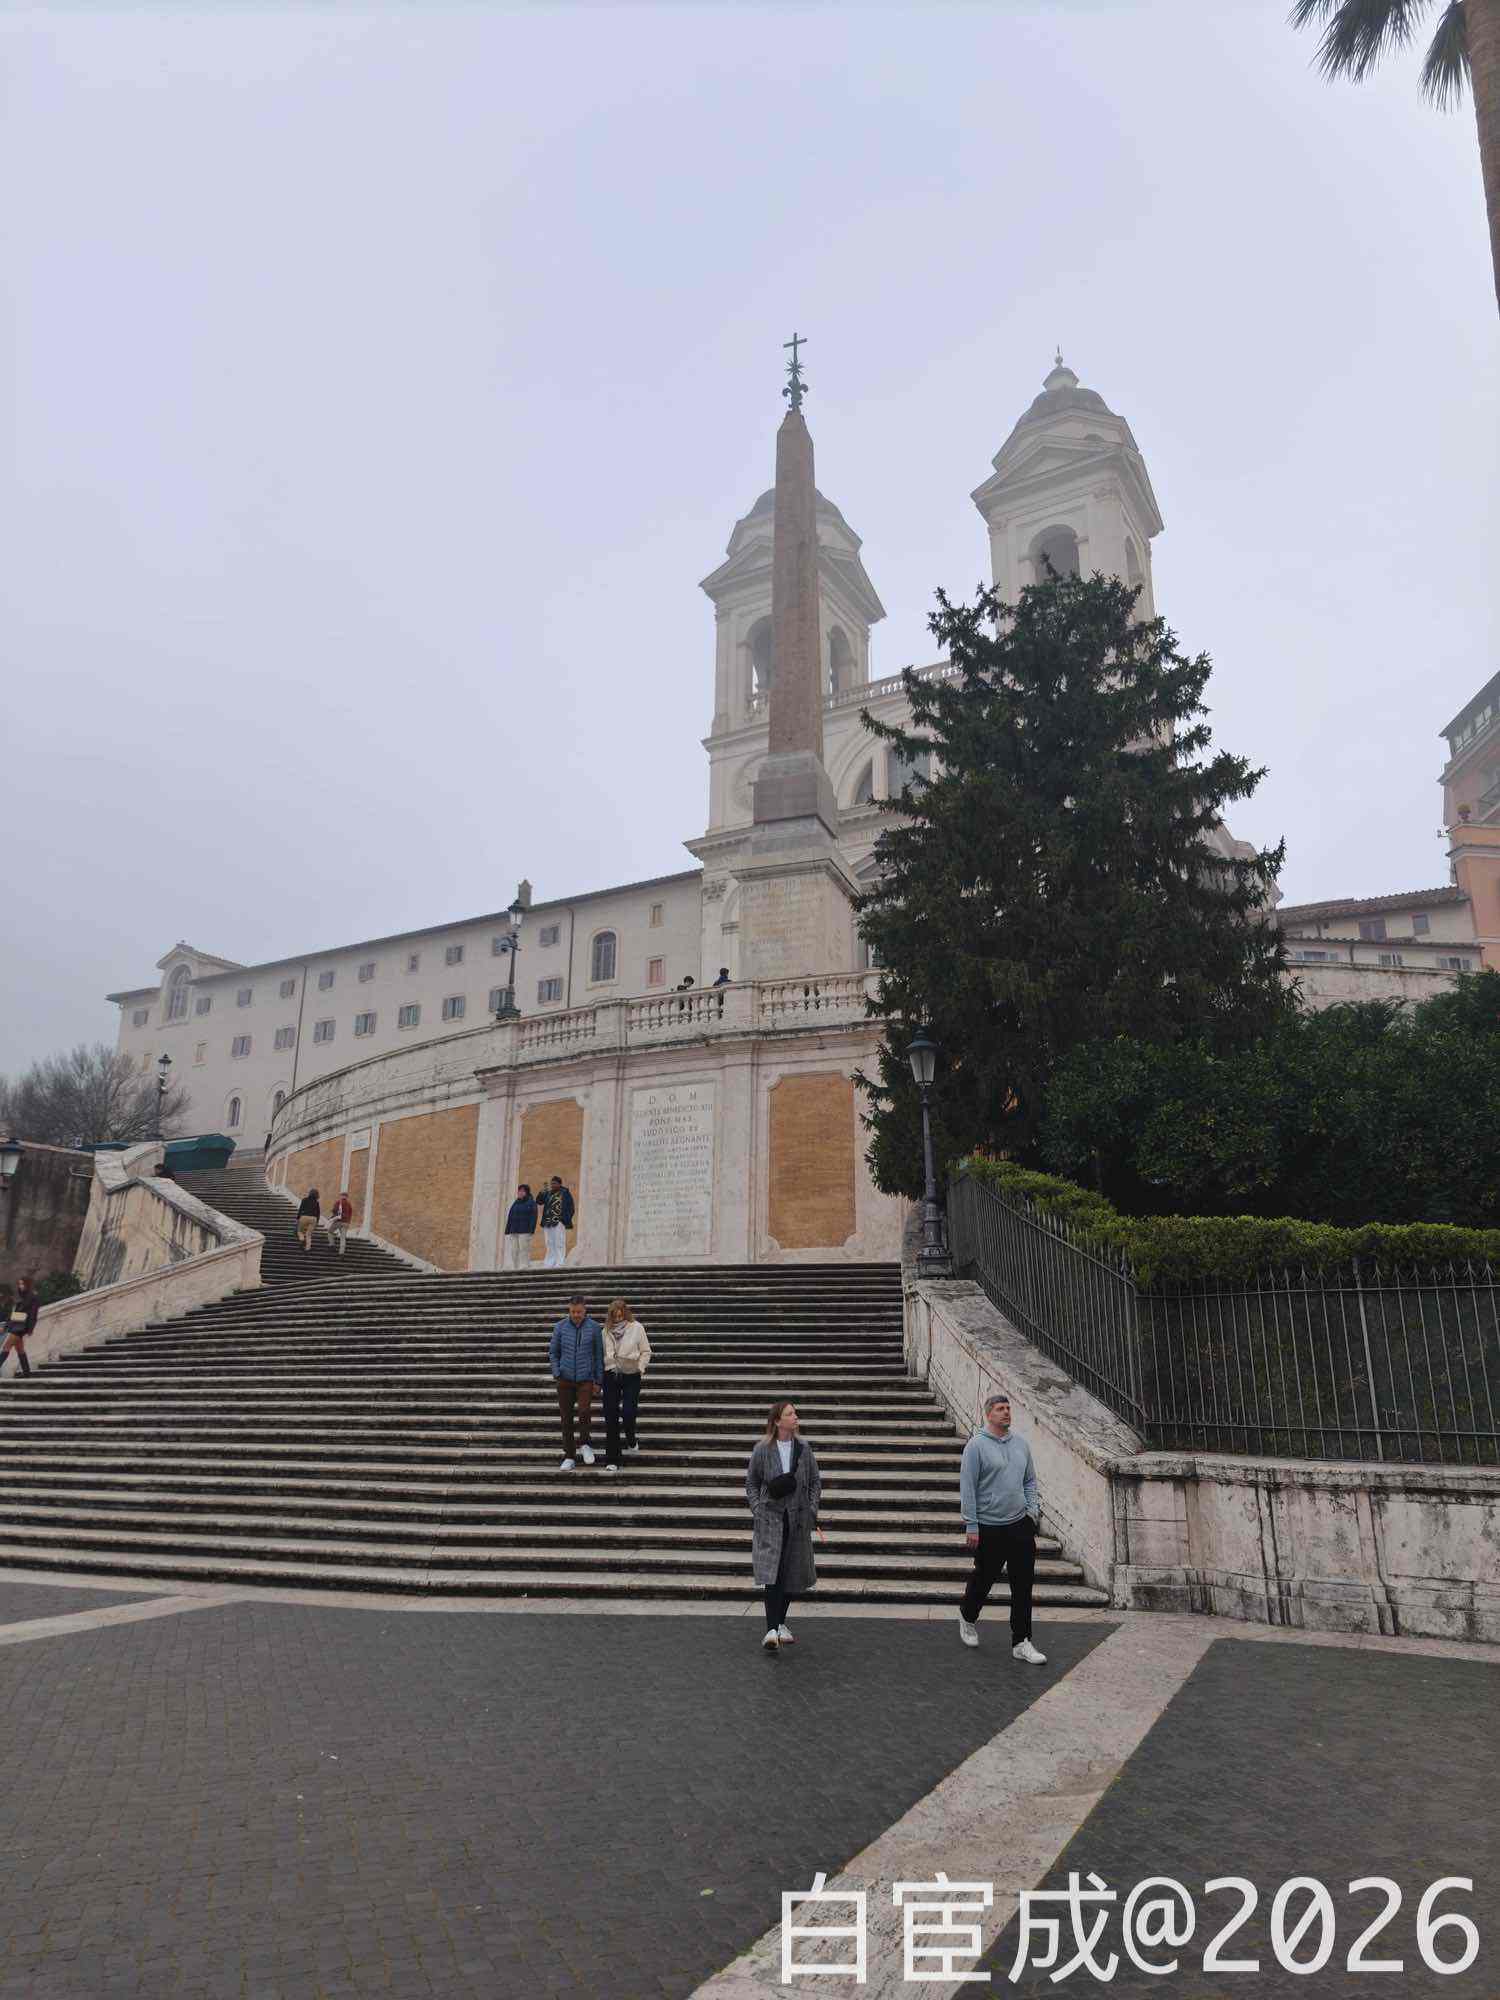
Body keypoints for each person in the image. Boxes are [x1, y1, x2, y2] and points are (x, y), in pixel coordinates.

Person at [957, 1391, 1046, 1664]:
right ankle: (967, 1616)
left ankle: (1021, 1641)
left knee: (1023, 1585)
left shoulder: (1021, 1444)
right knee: (983, 1579)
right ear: (988, 1414)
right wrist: (971, 1524)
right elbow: (968, 1487)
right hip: (989, 1526)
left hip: (1020, 1524)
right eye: (1000, 1409)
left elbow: (1030, 1481)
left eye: (1008, 1408)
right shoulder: (976, 1446)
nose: (1006, 1412)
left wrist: (1032, 1512)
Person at [746, 1400, 824, 1653]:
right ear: (777, 1421)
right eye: (790, 1414)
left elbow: (814, 1481)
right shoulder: (762, 1449)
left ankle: (780, 1623)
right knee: (773, 1572)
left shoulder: (803, 1448)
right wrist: (757, 1508)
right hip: (771, 1519)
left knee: (792, 1572)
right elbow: (752, 1483)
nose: (795, 1417)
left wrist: (812, 1510)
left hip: (798, 1519)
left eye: (795, 1413)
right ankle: (771, 1629)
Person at [549, 1294, 603, 1471]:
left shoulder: (594, 1328)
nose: (576, 1315)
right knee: (566, 1419)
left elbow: (598, 1355)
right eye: (572, 1311)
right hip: (564, 1379)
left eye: (579, 1312)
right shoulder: (560, 1327)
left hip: (585, 1378)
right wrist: (557, 1372)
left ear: (585, 1310)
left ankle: (585, 1443)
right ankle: (569, 1456)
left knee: (584, 1411)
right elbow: (553, 1353)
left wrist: (598, 1380)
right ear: (569, 1310)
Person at [601, 1297, 652, 1473]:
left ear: (625, 1314)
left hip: (631, 1374)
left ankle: (631, 1438)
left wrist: (640, 1367)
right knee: (611, 1416)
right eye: (614, 1316)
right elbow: (602, 1352)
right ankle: (612, 1459)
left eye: (620, 1316)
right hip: (611, 1373)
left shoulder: (637, 1328)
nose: (617, 1319)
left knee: (629, 1412)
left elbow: (646, 1351)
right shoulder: (605, 1330)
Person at [1, 1276, 39, 1379]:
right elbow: (15, 1314)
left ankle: (26, 1373)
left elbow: (33, 1315)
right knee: (20, 1349)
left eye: (22, 1284)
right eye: (19, 1284)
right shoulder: (23, 1297)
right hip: (16, 1325)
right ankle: (27, 1373)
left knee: (6, 1347)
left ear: (28, 1284)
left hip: (21, 1327)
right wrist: (6, 1326)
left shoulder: (33, 1297)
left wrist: (30, 1329)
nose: (20, 1286)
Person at [538, 1176, 574, 1268]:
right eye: (552, 1183)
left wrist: (565, 1219)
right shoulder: (548, 1193)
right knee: (549, 1242)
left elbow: (571, 1207)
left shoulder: (565, 1193)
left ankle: (560, 1262)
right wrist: (542, 1192)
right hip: (547, 1221)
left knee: (559, 1242)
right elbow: (539, 1201)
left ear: (559, 1184)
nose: (552, 1185)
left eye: (554, 1183)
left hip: (559, 1221)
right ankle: (549, 1262)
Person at [502, 1183, 538, 1269]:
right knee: (514, 1249)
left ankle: (524, 1265)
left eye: (522, 1191)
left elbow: (534, 1216)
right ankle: (516, 1266)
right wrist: (508, 1229)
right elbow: (510, 1216)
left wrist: (531, 1229)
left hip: (525, 1230)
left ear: (527, 1192)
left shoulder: (531, 1203)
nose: (520, 1193)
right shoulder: (516, 1203)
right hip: (514, 1230)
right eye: (519, 1191)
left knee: (524, 1248)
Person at [327, 1189, 354, 1255]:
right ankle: (341, 1253)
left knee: (330, 1231)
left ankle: (331, 1244)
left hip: (338, 1221)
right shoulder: (349, 1204)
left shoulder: (338, 1202)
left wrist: (331, 1217)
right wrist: (348, 1221)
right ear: (347, 1196)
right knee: (343, 1238)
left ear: (341, 1196)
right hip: (346, 1223)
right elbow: (350, 1213)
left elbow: (334, 1211)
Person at [296, 1187, 320, 1253]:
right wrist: (317, 1221)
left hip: (304, 1217)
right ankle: (308, 1248)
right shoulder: (316, 1202)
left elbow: (301, 1209)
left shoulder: (304, 1200)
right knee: (308, 1234)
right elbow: (318, 1213)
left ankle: (302, 1239)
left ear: (310, 1193)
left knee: (299, 1231)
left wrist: (297, 1218)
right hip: (313, 1218)